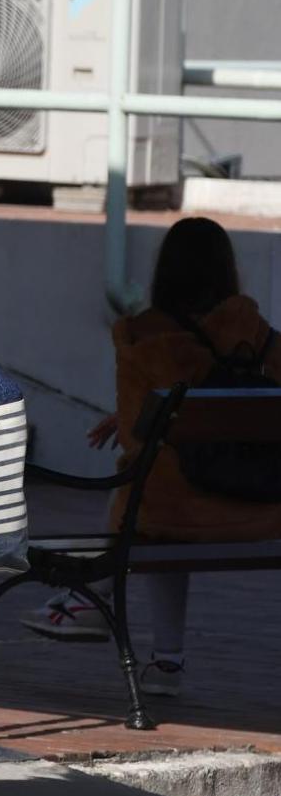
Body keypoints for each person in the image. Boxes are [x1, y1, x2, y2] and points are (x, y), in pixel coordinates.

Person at [22, 217, 281, 696]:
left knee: (148, 496)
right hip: (260, 509)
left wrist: (132, 417)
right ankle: (127, 633)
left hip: (174, 513)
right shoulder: (253, 331)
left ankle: (95, 602)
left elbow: (138, 439)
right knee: (158, 497)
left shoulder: (142, 337)